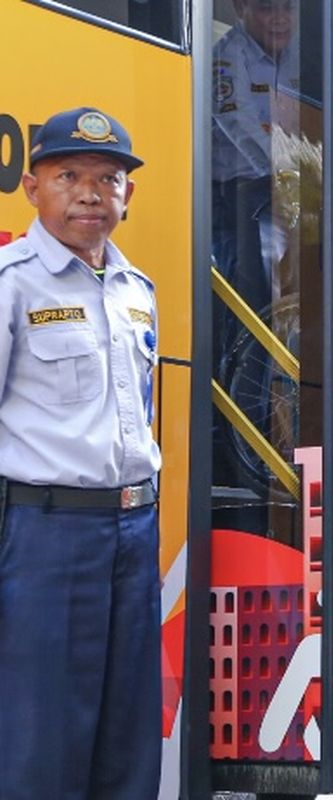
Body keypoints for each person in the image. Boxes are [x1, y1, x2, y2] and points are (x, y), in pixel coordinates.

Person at [0, 108, 160, 799]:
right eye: (69, 175)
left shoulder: (136, 290)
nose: (92, 193)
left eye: (109, 178)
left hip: (134, 528)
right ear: (32, 187)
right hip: (47, 534)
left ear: (128, 194)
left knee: (128, 732)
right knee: (42, 735)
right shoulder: (12, 282)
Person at [212, 0, 300, 316]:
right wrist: (284, 170)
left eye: (288, 8)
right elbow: (238, 120)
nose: (279, 19)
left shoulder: (300, 57)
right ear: (240, 9)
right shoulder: (226, 56)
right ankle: (250, 364)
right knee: (255, 292)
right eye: (266, 8)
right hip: (238, 197)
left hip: (287, 189)